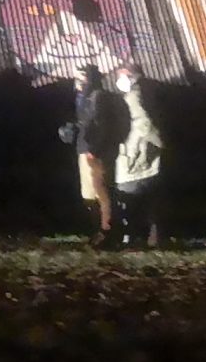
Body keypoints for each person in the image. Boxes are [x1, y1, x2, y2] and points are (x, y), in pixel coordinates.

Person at [58, 66, 128, 249]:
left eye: (81, 77)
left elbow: (100, 125)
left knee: (101, 192)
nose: (78, 82)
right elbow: (87, 122)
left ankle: (106, 232)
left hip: (95, 152)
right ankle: (99, 231)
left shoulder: (98, 97)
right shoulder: (85, 97)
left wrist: (95, 149)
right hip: (86, 149)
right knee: (90, 193)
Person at [111, 65, 166, 248]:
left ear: (132, 76)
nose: (119, 80)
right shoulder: (145, 91)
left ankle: (134, 238)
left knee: (131, 197)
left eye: (122, 75)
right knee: (149, 199)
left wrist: (149, 144)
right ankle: (151, 237)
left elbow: (144, 123)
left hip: (137, 154)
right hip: (143, 153)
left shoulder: (135, 95)